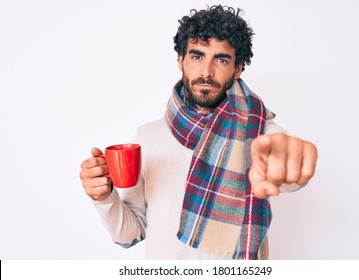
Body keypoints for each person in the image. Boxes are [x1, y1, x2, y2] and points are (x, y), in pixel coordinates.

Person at [79, 5, 317, 260]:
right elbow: (129, 234)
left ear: (237, 69)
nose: (206, 72)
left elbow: (289, 172)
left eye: (221, 59)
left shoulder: (260, 131)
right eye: (197, 56)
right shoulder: (147, 136)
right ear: (180, 60)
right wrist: (104, 197)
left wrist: (289, 160)